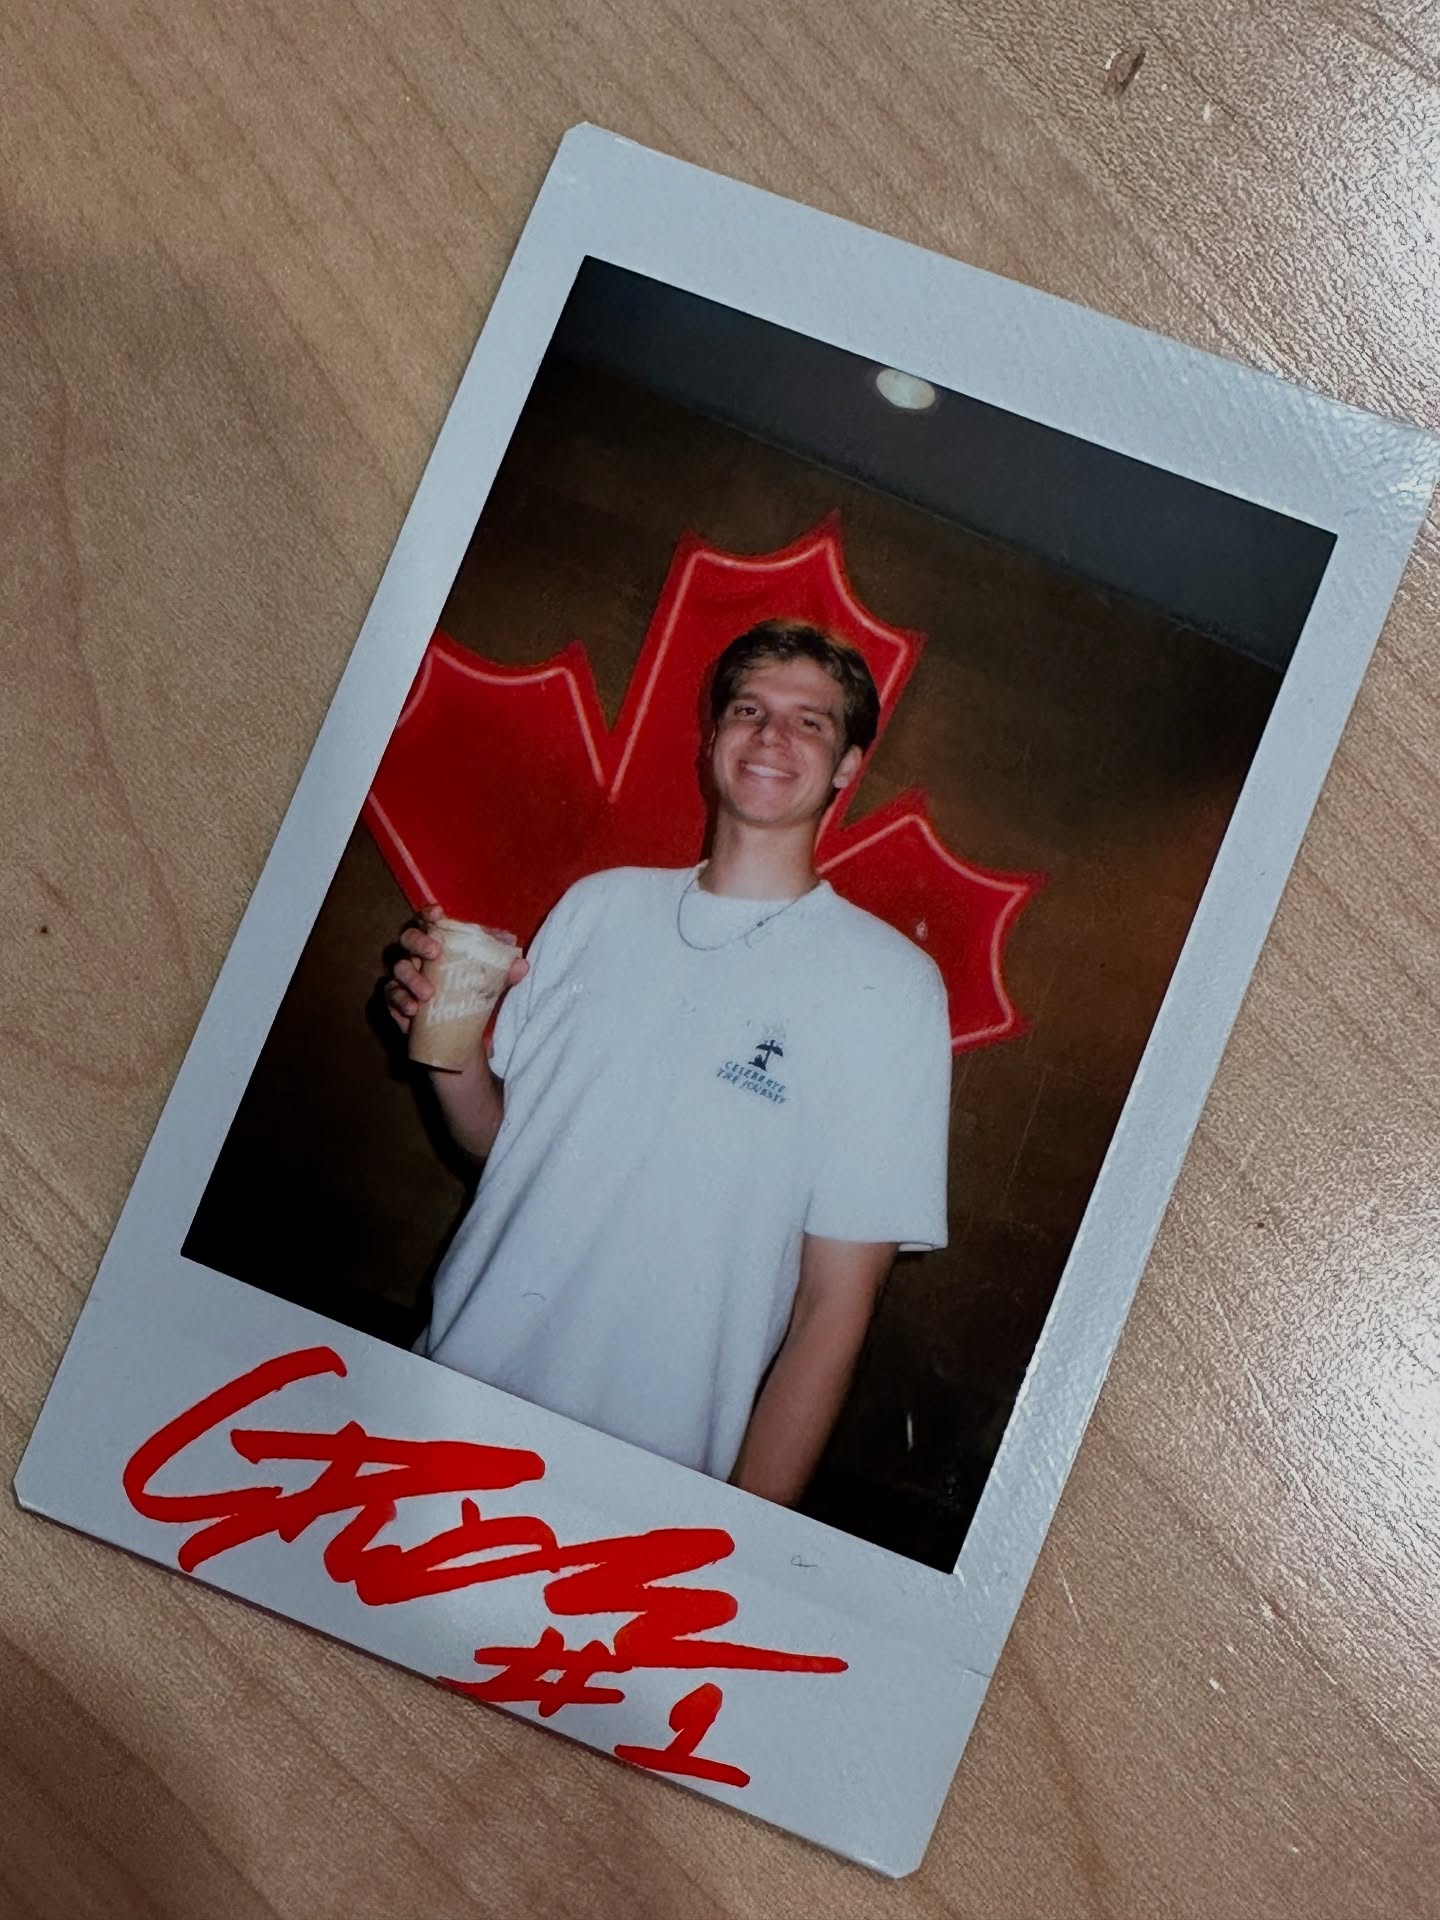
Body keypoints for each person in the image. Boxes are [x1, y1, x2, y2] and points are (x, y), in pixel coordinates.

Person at [384, 620, 951, 1505]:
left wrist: (741, 1538)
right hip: (442, 1396)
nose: (771, 735)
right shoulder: (598, 907)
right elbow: (501, 1144)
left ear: (847, 766)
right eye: (749, 710)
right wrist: (445, 1050)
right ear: (713, 737)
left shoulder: (892, 987)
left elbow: (835, 1305)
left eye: (809, 722)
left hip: (642, 1483)